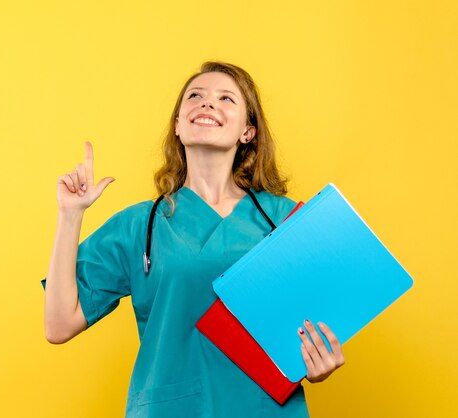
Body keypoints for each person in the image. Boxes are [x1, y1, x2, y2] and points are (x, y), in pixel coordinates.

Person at [43, 62, 345, 417]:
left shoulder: (284, 220)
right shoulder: (141, 224)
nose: (207, 104)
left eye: (226, 98)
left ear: (247, 131)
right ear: (177, 125)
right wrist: (70, 214)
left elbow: (315, 323)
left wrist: (320, 362)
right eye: (195, 96)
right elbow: (59, 325)